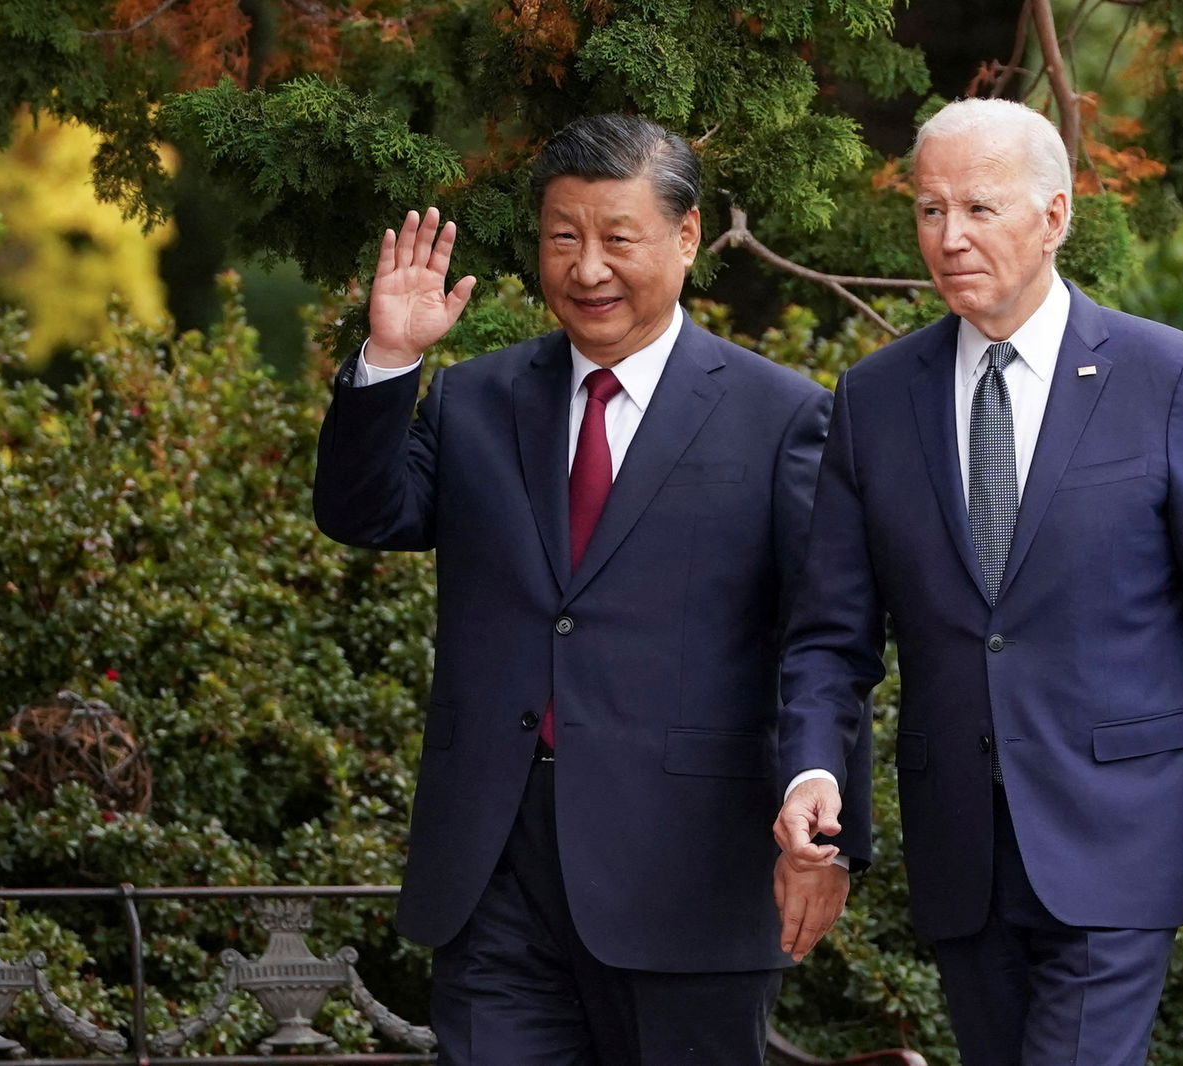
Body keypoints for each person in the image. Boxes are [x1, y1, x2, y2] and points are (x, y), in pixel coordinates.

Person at [313, 112, 862, 1066]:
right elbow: (364, 512)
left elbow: (824, 638)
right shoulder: (477, 399)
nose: (588, 267)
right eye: (563, 237)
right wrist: (392, 360)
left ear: (686, 237)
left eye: (618, 238)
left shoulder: (782, 418)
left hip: (688, 871)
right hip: (496, 863)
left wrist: (831, 826)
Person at [772, 98, 1183, 1066]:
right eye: (930, 210)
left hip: (1121, 840)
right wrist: (812, 770)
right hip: (961, 853)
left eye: (979, 208)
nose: (949, 237)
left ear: (1054, 216)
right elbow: (830, 637)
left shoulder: (1165, 377)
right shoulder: (875, 397)